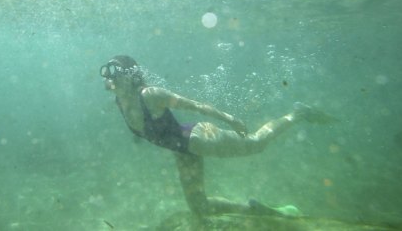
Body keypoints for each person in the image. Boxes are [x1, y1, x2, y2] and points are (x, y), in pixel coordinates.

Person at [100, 55, 336, 217]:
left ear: (131, 75)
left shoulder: (150, 95)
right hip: (183, 152)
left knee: (256, 143)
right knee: (199, 207)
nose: (110, 81)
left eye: (116, 74)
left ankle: (297, 113)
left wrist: (230, 119)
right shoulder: (119, 101)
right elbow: (146, 129)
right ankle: (252, 210)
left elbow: (195, 106)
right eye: (108, 76)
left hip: (198, 138)